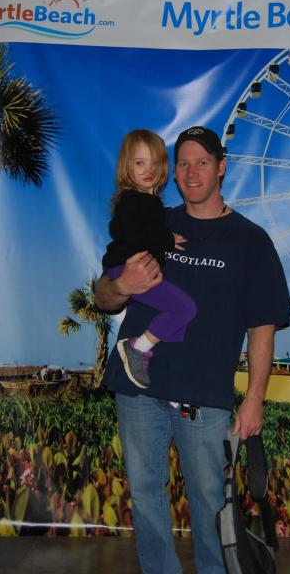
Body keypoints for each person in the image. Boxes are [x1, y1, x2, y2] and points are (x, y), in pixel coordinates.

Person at [95, 126, 290, 574]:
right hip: (137, 388)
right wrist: (121, 285)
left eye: (202, 162)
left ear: (221, 167)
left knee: (209, 503)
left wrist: (255, 398)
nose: (191, 172)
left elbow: (263, 327)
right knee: (146, 497)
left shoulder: (251, 240)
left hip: (203, 398)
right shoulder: (152, 221)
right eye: (183, 163)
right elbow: (103, 295)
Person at [101, 129, 197, 389]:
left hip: (130, 270)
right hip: (126, 270)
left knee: (175, 324)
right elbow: (138, 236)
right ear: (126, 167)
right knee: (185, 309)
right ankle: (137, 348)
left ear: (164, 168)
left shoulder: (148, 203)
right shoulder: (133, 200)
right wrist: (168, 240)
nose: (149, 170)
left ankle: (164, 370)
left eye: (155, 163)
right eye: (139, 163)